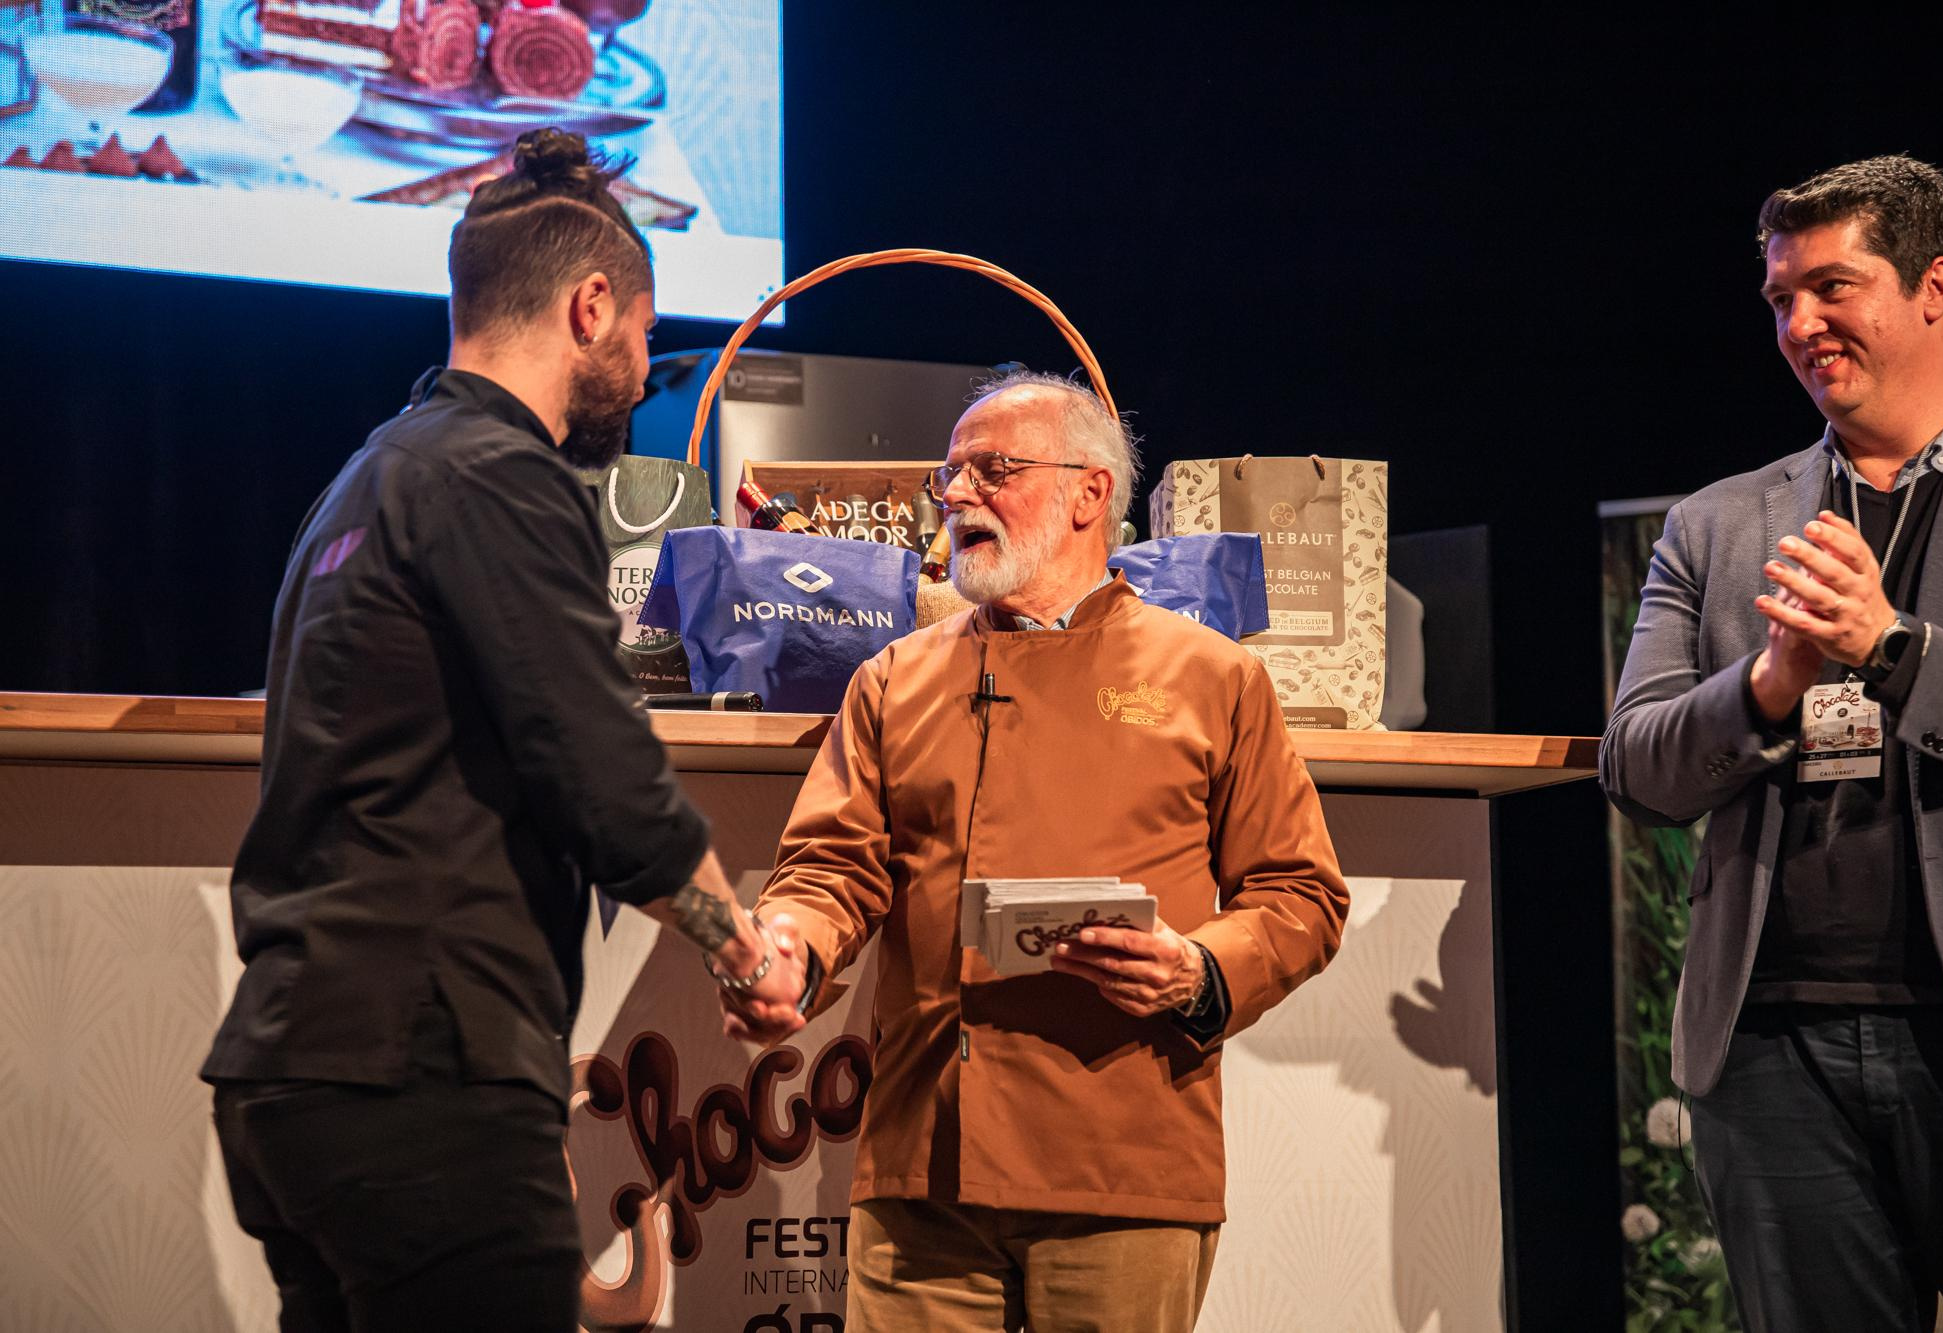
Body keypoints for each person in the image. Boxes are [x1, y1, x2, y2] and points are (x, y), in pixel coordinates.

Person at [200, 130, 805, 1333]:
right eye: (642, 333)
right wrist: (745, 954)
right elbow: (607, 786)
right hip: (423, 1076)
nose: (643, 370)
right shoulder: (501, 476)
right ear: (591, 307)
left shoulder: (362, 480)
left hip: (286, 1077)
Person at [719, 370, 1350, 1333]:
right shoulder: (894, 678)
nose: (959, 494)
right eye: (952, 475)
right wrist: (789, 946)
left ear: (1089, 493)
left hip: (1126, 1157)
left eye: (994, 470)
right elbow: (829, 869)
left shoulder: (1213, 677)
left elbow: (1300, 892)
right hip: (925, 1162)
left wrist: (1198, 969)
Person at [1602, 156, 1943, 1331]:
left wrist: (1890, 647)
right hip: (1771, 1054)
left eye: (1831, 287)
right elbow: (1637, 767)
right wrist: (1768, 684)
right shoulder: (1715, 525)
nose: (1799, 323)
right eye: (1780, 297)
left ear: (1933, 287)